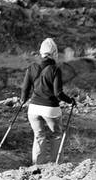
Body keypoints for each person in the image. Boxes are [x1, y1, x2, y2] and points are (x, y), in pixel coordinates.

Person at [19, 38, 76, 166]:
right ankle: (56, 164)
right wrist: (71, 101)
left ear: (41, 52)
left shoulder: (32, 67)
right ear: (54, 53)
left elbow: (25, 89)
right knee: (56, 135)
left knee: (39, 136)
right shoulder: (55, 69)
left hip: (33, 109)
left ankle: (37, 165)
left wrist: (23, 100)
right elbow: (58, 93)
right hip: (50, 109)